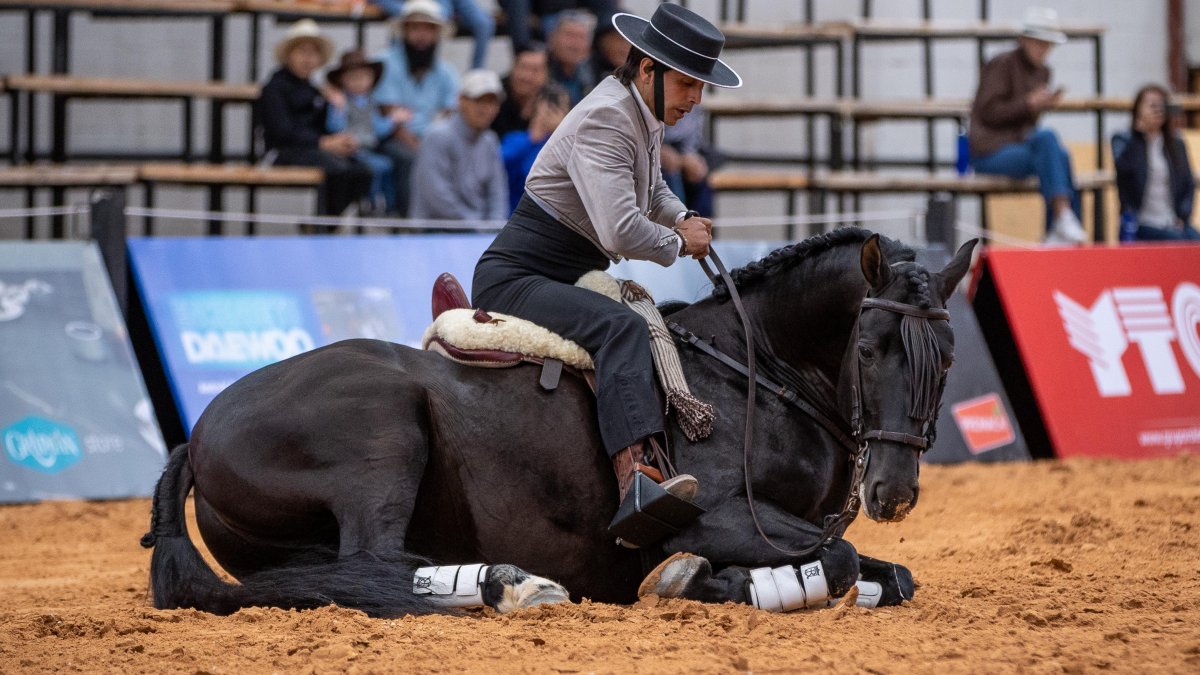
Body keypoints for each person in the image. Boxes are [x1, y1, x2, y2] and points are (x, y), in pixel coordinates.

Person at [471, 4, 742, 524]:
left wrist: (682, 214)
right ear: (647, 70)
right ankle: (636, 480)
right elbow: (619, 228)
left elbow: (653, 187)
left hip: (559, 266)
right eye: (687, 83)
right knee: (622, 329)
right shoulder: (608, 119)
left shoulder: (642, 110)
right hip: (520, 276)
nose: (695, 99)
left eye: (700, 87)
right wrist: (680, 242)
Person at [968, 6, 1085, 244]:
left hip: (1017, 146)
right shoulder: (1001, 64)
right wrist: (1029, 104)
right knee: (1049, 141)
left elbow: (1025, 122)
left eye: (1048, 44)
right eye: (1039, 42)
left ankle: (1058, 232)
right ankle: (1062, 218)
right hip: (987, 151)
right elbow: (988, 113)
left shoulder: (1043, 71)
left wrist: (1039, 106)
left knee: (1061, 155)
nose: (1044, 50)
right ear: (1023, 39)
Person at [256, 19, 371, 218]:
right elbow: (282, 132)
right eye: (302, 51)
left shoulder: (315, 91)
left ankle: (327, 223)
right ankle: (322, 226)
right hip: (283, 152)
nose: (307, 59)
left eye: (313, 53)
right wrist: (323, 142)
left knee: (363, 171)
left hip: (315, 148)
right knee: (337, 170)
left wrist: (340, 140)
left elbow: (322, 127)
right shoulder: (275, 88)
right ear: (288, 55)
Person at [374, 0, 460, 216]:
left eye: (428, 28)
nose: (421, 35)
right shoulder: (383, 63)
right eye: (415, 28)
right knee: (409, 160)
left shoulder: (446, 72)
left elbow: (451, 115)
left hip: (432, 142)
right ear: (404, 31)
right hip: (389, 138)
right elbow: (390, 116)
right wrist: (423, 152)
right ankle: (409, 223)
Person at [410, 69, 508, 221]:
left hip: (478, 233)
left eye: (492, 102)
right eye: (479, 100)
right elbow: (437, 196)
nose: (485, 109)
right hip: (434, 232)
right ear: (461, 101)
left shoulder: (490, 141)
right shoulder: (437, 136)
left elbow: (497, 192)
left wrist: (494, 227)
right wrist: (477, 227)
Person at [1112, 84, 1199, 242]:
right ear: (1138, 108)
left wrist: (1182, 217)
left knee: (1192, 240)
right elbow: (1124, 170)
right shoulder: (1123, 140)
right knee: (1178, 241)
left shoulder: (1176, 143)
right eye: (1151, 105)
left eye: (1161, 105)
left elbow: (1188, 184)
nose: (1156, 110)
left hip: (1172, 221)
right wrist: (1140, 135)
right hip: (1141, 223)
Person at [325, 50, 402, 215]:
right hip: (351, 150)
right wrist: (339, 108)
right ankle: (369, 202)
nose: (359, 82)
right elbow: (334, 127)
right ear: (342, 80)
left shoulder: (371, 102)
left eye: (364, 77)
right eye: (353, 78)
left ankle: (390, 204)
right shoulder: (340, 102)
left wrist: (393, 120)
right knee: (372, 169)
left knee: (387, 165)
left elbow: (377, 129)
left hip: (368, 148)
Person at [500, 83, 568, 212]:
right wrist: (533, 138)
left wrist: (562, 132)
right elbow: (501, 166)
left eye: (559, 106)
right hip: (514, 215)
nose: (551, 111)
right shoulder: (515, 139)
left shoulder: (567, 145)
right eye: (546, 104)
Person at [371, 0, 495, 69]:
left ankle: (476, 72)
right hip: (414, 8)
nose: (423, 33)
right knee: (426, 18)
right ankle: (400, 70)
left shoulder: (447, 73)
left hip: (444, 7)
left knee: (484, 24)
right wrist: (411, 10)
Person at [661, 103, 716, 217]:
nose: (696, 96)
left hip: (684, 152)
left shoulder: (694, 98)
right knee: (669, 176)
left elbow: (693, 137)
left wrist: (689, 156)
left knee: (699, 175)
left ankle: (698, 229)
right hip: (657, 153)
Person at [492, 43, 549, 138]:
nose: (526, 76)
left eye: (535, 70)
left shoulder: (553, 99)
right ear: (512, 67)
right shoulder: (494, 94)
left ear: (546, 75)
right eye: (523, 67)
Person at [545, 9, 597, 107]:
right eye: (569, 35)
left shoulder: (593, 75)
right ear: (552, 38)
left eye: (581, 37)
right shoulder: (538, 69)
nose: (574, 44)